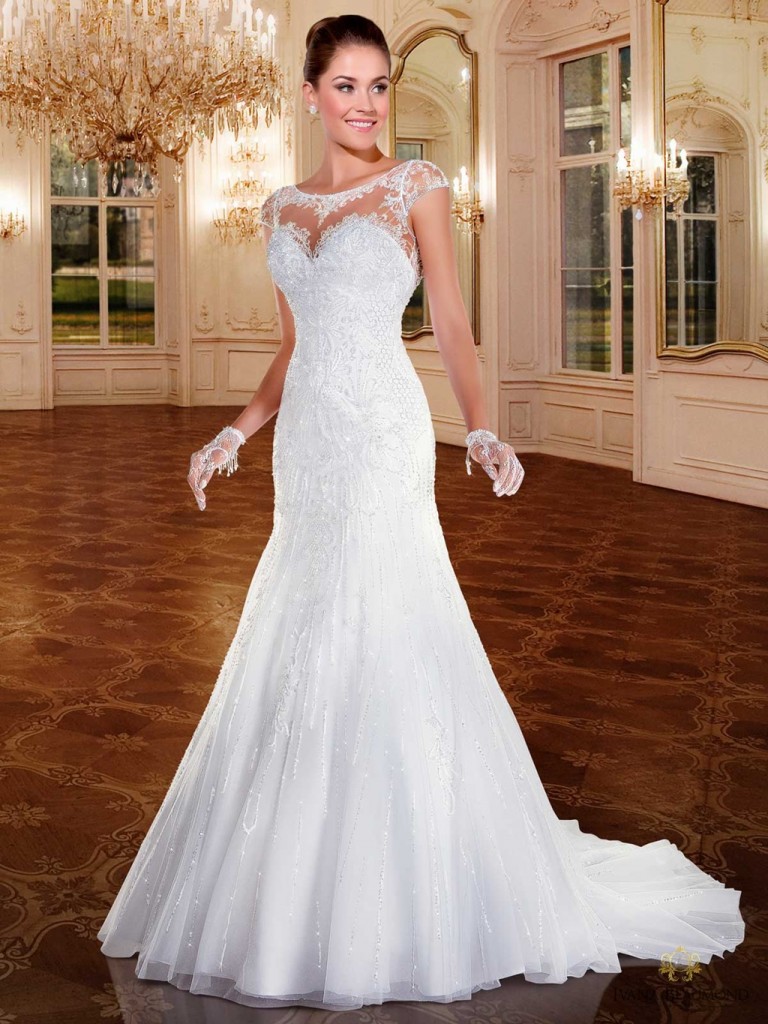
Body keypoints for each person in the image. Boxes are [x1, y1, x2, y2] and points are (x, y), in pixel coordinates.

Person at [97, 13, 745, 1012]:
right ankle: (296, 865)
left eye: (377, 85)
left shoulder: (418, 186)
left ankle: (408, 865)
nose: (366, 104)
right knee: (301, 625)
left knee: (386, 616)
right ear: (310, 94)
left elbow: (449, 318)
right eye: (345, 85)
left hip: (382, 437)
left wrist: (480, 427)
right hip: (310, 446)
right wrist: (232, 434)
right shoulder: (279, 207)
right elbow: (292, 347)